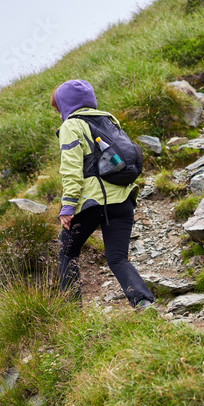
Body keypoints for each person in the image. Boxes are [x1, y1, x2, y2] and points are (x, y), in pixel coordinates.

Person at [51, 79, 156, 312]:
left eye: (57, 107)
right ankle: (143, 303)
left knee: (67, 253)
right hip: (123, 200)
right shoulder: (109, 121)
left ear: (64, 104)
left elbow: (71, 171)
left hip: (92, 203)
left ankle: (71, 313)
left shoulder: (71, 126)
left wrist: (67, 207)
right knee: (118, 258)